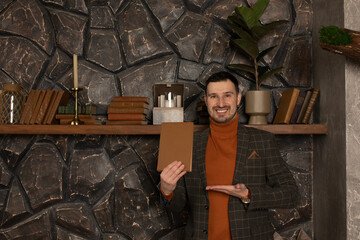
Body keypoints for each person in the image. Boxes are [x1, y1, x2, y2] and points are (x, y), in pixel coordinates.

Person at [159, 71, 298, 240]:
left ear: (238, 98)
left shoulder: (262, 141)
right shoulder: (188, 142)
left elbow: (291, 194)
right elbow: (177, 206)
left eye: (227, 95)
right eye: (213, 96)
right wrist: (167, 191)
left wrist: (249, 195)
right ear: (206, 101)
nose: (221, 103)